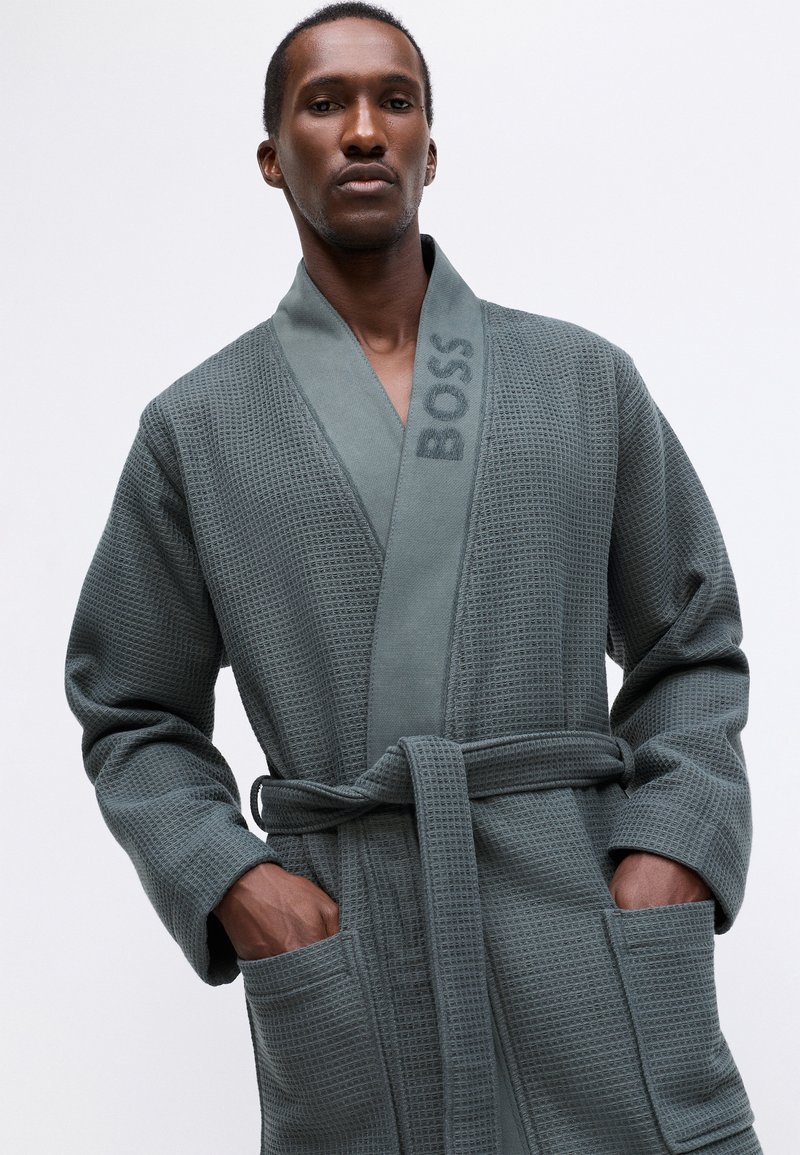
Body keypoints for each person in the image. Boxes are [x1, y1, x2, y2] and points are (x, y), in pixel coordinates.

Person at [64, 4, 762, 1153]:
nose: (362, 130)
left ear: (428, 151)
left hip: (576, 924)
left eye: (393, 101)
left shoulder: (582, 381)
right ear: (271, 157)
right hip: (357, 941)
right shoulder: (198, 429)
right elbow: (131, 714)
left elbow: (690, 646)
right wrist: (234, 882)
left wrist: (671, 847)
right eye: (323, 103)